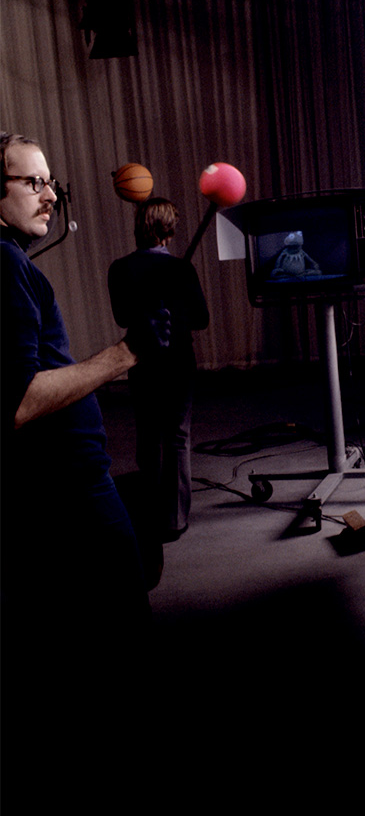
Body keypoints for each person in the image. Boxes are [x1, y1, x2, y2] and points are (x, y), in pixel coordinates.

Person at [0, 131, 170, 805]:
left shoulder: (15, 263)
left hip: (62, 485)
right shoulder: (6, 269)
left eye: (50, 181)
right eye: (30, 181)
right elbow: (19, 402)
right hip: (67, 490)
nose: (49, 192)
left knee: (77, 643)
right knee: (121, 643)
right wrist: (123, 355)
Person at [108, 197, 209, 568]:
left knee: (149, 436)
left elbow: (122, 317)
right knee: (177, 437)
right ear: (168, 230)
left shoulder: (119, 269)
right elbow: (201, 319)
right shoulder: (182, 270)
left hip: (143, 364)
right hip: (178, 364)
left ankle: (147, 516)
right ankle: (175, 519)